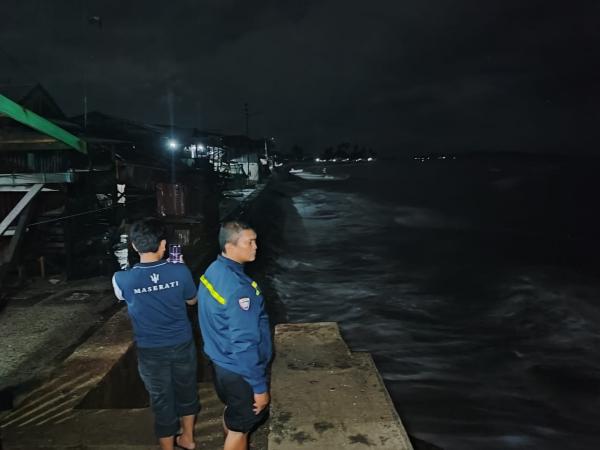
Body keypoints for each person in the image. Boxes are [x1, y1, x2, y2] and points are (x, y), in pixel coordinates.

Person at [111, 218, 199, 450]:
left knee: (162, 398)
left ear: (133, 246)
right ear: (162, 245)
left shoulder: (122, 279)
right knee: (187, 390)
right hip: (182, 343)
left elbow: (122, 297)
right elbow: (192, 300)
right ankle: (188, 438)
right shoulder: (180, 271)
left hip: (151, 350)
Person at [197, 221, 272, 450]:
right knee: (241, 428)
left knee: (233, 415)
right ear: (230, 247)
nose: (255, 246)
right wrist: (259, 388)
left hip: (220, 362)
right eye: (249, 242)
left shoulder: (213, 270)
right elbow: (245, 342)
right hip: (240, 371)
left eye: (255, 240)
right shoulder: (240, 289)